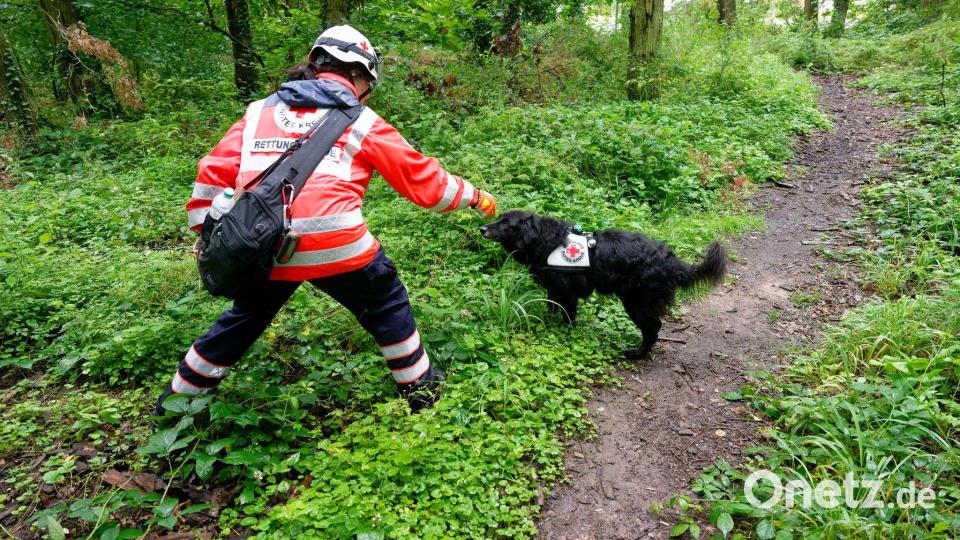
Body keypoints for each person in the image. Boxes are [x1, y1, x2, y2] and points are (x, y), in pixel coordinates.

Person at [156, 25, 497, 417]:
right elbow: (424, 181)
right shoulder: (364, 121)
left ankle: (175, 408)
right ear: (358, 75)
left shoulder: (257, 113)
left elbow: (211, 177)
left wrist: (208, 235)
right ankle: (420, 391)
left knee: (243, 319)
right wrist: (474, 196)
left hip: (264, 246)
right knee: (386, 303)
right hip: (339, 246)